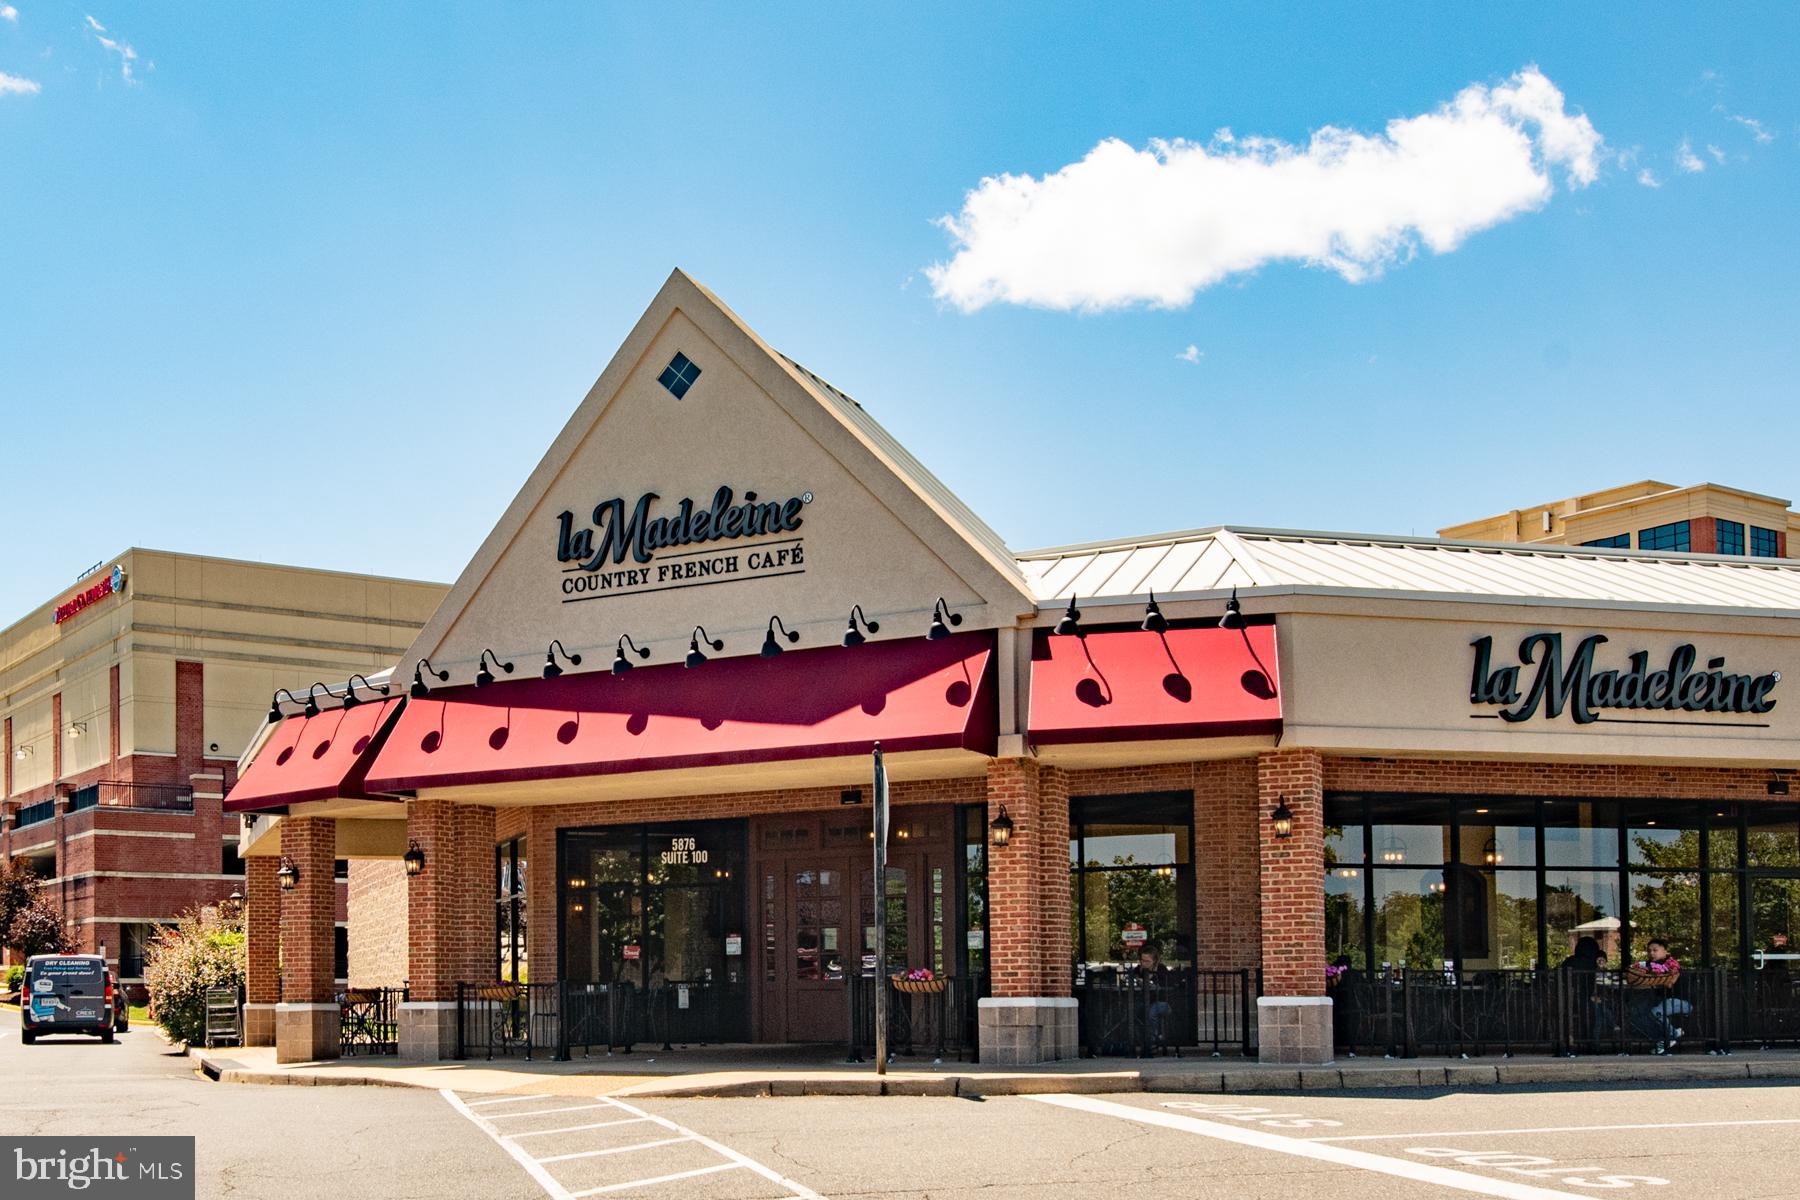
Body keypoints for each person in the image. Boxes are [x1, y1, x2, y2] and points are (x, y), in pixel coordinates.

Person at [1625, 938, 1689, 1053]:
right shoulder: (1649, 965)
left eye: (1655, 950)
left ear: (1665, 951)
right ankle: (1661, 1040)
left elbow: (1669, 982)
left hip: (1682, 1000)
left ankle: (1671, 1035)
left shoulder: (1671, 964)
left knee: (1656, 1012)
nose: (1651, 953)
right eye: (1649, 951)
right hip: (1663, 999)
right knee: (1640, 1013)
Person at [1562, 936, 1605, 1053]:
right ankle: (1594, 1042)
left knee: (1598, 1009)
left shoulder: (1569, 961)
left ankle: (1586, 1041)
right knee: (1601, 1010)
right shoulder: (1592, 963)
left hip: (1566, 1001)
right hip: (1586, 1000)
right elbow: (1599, 980)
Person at [1131, 945, 1174, 1053]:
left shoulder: (1161, 969)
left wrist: (1153, 981)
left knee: (1152, 1012)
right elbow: (1131, 978)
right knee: (1132, 1012)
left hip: (1162, 1002)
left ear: (1154, 961)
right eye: (1142, 960)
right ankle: (1139, 1041)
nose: (1144, 963)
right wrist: (1137, 979)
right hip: (1144, 1001)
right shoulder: (1138, 969)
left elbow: (1166, 986)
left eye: (1147, 961)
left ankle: (1153, 1041)